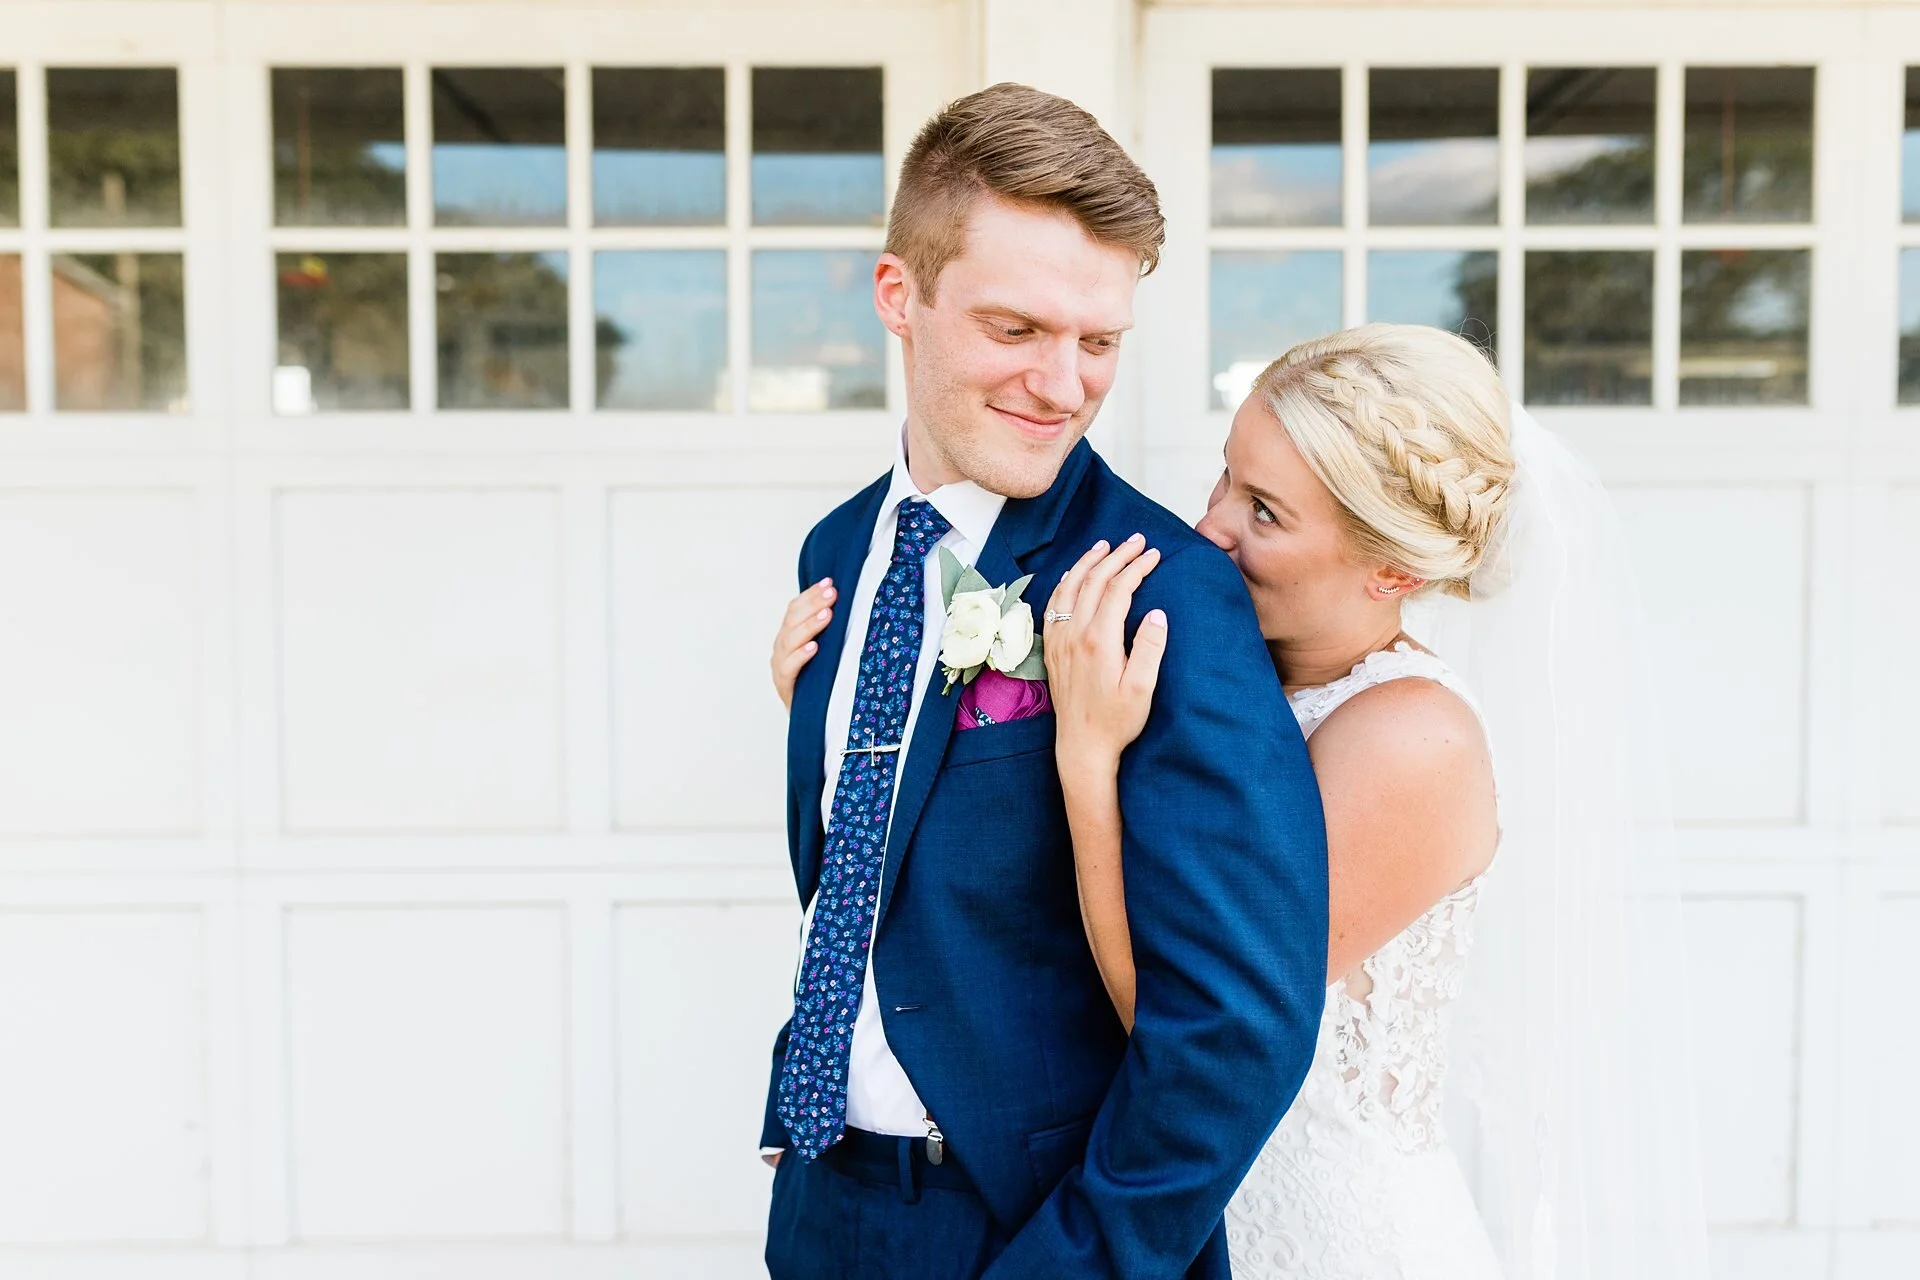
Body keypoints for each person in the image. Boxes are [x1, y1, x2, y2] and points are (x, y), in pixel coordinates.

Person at [775, 323, 1712, 1278]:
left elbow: (1184, 1019)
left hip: (1323, 1235)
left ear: (1396, 570)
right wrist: (844, 716)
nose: (1212, 525)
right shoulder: (1217, 671)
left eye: (1265, 512)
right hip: (1179, 1216)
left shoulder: (1411, 741)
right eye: (1228, 476)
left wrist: (1089, 766)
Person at [756, 82, 1328, 1279]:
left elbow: (1237, 1026)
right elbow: (863, 873)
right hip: (820, 1217)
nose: (1063, 386)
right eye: (1016, 330)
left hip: (1034, 1231)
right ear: (898, 296)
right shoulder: (835, 554)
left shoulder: (1163, 591)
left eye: (1099, 341)